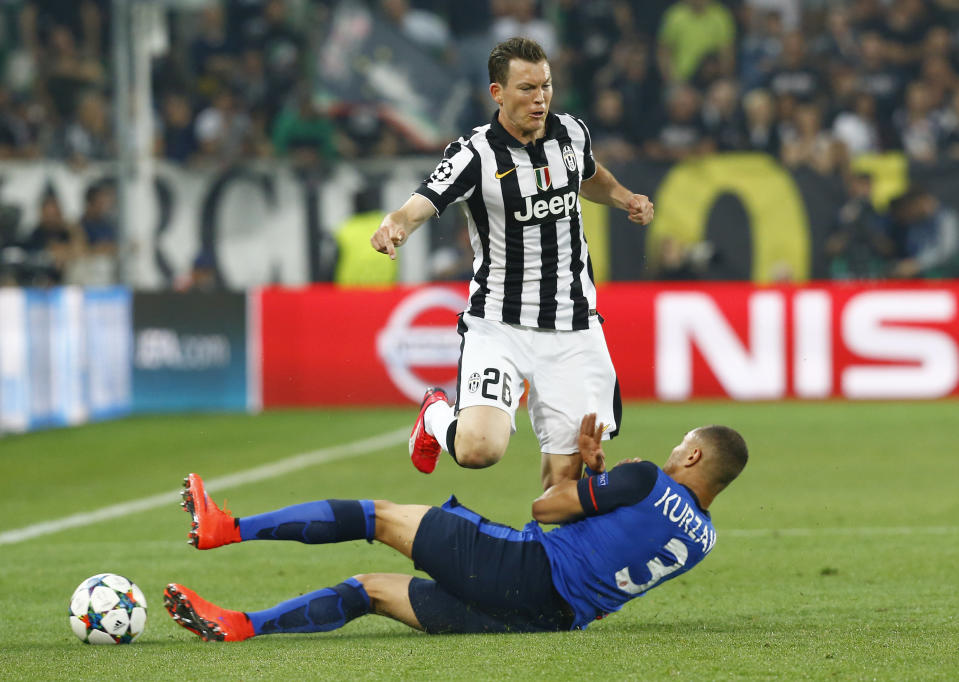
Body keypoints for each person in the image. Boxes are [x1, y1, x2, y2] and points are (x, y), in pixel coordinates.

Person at [164, 414, 748, 640]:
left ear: (694, 458)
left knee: (377, 516)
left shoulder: (646, 479)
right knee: (371, 590)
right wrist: (597, 484)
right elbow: (619, 536)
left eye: (682, 446)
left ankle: (225, 527)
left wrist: (583, 474)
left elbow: (545, 510)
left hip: (523, 570)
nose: (673, 452)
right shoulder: (704, 539)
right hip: (549, 620)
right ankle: (241, 625)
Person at [369, 38, 654, 489]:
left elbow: (589, 174)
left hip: (573, 325)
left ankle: (545, 558)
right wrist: (396, 225)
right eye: (526, 89)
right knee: (479, 449)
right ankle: (436, 416)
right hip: (499, 323)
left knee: (563, 482)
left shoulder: (572, 133)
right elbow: (423, 199)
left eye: (546, 86)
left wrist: (625, 198)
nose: (539, 99)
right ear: (497, 93)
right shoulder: (474, 154)